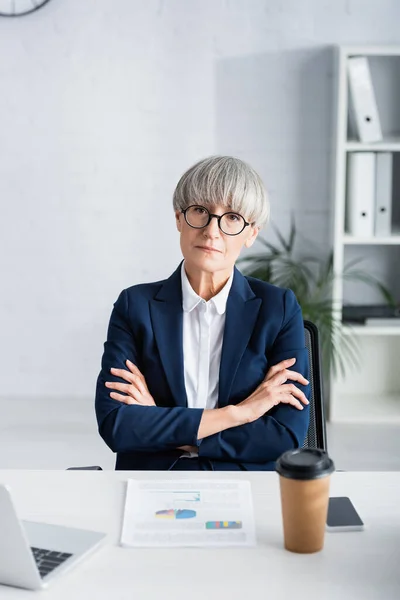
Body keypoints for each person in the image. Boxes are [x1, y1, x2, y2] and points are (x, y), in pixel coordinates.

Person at [95, 156, 310, 471]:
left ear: (251, 234)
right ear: (180, 219)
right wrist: (240, 414)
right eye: (200, 211)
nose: (212, 231)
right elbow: (117, 425)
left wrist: (162, 424)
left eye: (232, 217)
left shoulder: (278, 308)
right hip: (155, 480)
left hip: (243, 480)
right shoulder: (135, 306)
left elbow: (285, 434)